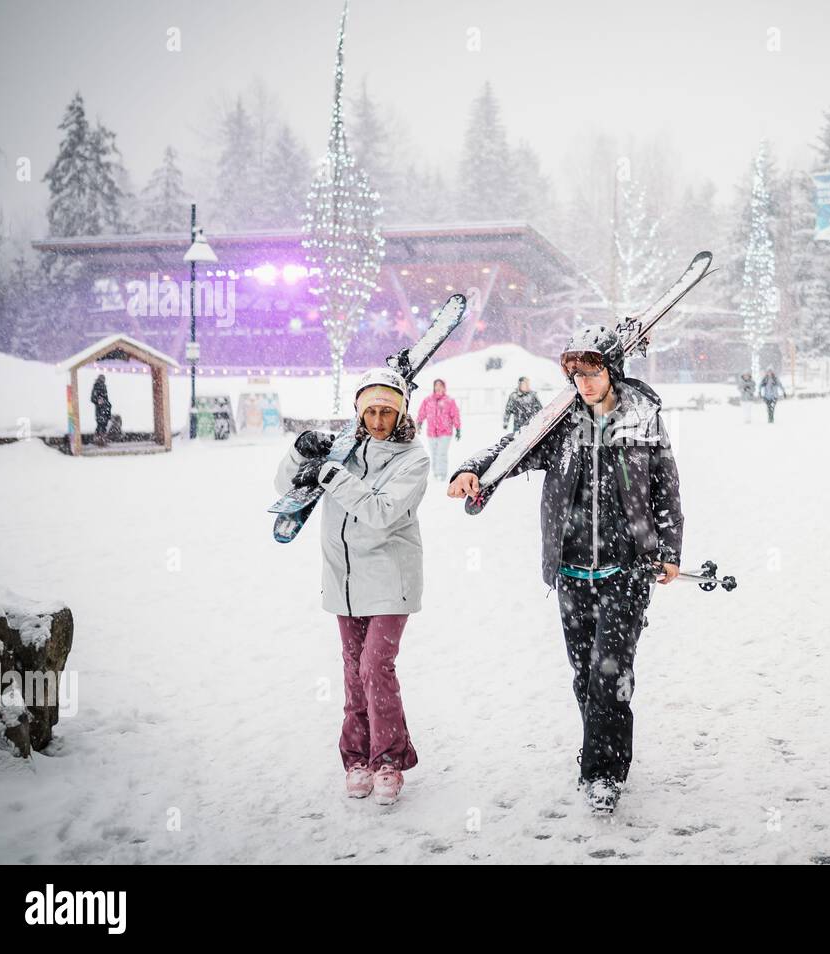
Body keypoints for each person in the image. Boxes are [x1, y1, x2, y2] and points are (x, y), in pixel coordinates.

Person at [447, 326, 683, 815]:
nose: (583, 382)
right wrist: (471, 469)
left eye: (591, 372)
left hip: (628, 569)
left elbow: (666, 488)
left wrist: (670, 548)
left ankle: (603, 771)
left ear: (611, 371)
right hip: (572, 572)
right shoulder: (559, 425)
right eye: (574, 374)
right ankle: (602, 748)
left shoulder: (642, 420)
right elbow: (510, 450)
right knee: (583, 674)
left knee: (608, 671)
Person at [273, 368, 430, 805]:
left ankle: (389, 761)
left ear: (400, 413)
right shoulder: (344, 450)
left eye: (387, 411)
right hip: (342, 579)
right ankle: (356, 759)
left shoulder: (413, 458)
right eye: (371, 411)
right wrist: (299, 454)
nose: (379, 420)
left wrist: (331, 476)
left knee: (374, 666)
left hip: (390, 577)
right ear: (358, 413)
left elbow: (380, 511)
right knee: (352, 670)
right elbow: (287, 488)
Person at [416, 378, 461, 481]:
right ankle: (436, 473)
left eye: (440, 385)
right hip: (431, 432)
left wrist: (458, 428)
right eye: (436, 385)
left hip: (445, 432)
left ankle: (442, 474)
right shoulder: (428, 400)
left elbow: (455, 415)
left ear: (444, 387)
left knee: (442, 453)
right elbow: (422, 412)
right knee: (434, 453)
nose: (438, 387)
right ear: (434, 387)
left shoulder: (449, 401)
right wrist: (419, 423)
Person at [90, 374, 112, 445]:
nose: (103, 380)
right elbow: (93, 398)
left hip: (105, 408)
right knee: (100, 424)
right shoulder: (96, 386)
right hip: (100, 409)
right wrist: (98, 401)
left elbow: (106, 398)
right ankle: (99, 439)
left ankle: (102, 439)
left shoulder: (104, 386)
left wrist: (108, 405)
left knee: (104, 424)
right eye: (102, 379)